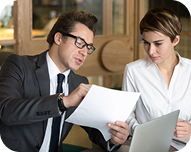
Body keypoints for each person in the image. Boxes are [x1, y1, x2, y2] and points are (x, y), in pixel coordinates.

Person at [0, 11, 129, 152]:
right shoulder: (19, 65)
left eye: (88, 47)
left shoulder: (79, 83)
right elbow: (7, 111)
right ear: (59, 38)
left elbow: (95, 131)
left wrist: (114, 138)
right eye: (80, 43)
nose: (84, 52)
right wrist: (63, 102)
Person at [122, 7, 191, 152]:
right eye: (146, 42)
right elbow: (126, 115)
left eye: (158, 43)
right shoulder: (133, 71)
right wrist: (143, 132)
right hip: (147, 146)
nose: (151, 51)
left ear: (175, 40)